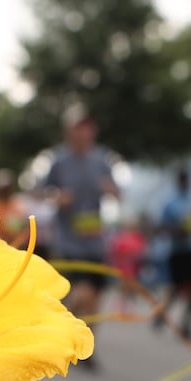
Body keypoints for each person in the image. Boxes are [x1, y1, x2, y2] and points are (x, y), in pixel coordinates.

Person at [45, 106, 120, 367]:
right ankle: (67, 328)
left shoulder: (101, 160)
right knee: (84, 294)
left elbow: (118, 193)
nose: (84, 131)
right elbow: (40, 192)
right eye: (79, 126)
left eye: (88, 126)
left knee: (96, 299)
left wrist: (111, 190)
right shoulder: (59, 161)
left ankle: (86, 349)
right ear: (69, 131)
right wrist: (58, 198)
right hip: (68, 240)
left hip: (95, 240)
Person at [155, 168, 191, 340]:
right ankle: (161, 315)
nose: (185, 182)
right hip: (177, 251)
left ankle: (186, 324)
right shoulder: (169, 202)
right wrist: (177, 231)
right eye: (182, 179)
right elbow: (160, 227)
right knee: (177, 288)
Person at [0, 169, 31, 249]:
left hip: (17, 247)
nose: (5, 191)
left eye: (7, 188)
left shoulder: (18, 204)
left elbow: (24, 229)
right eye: (2, 189)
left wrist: (16, 244)